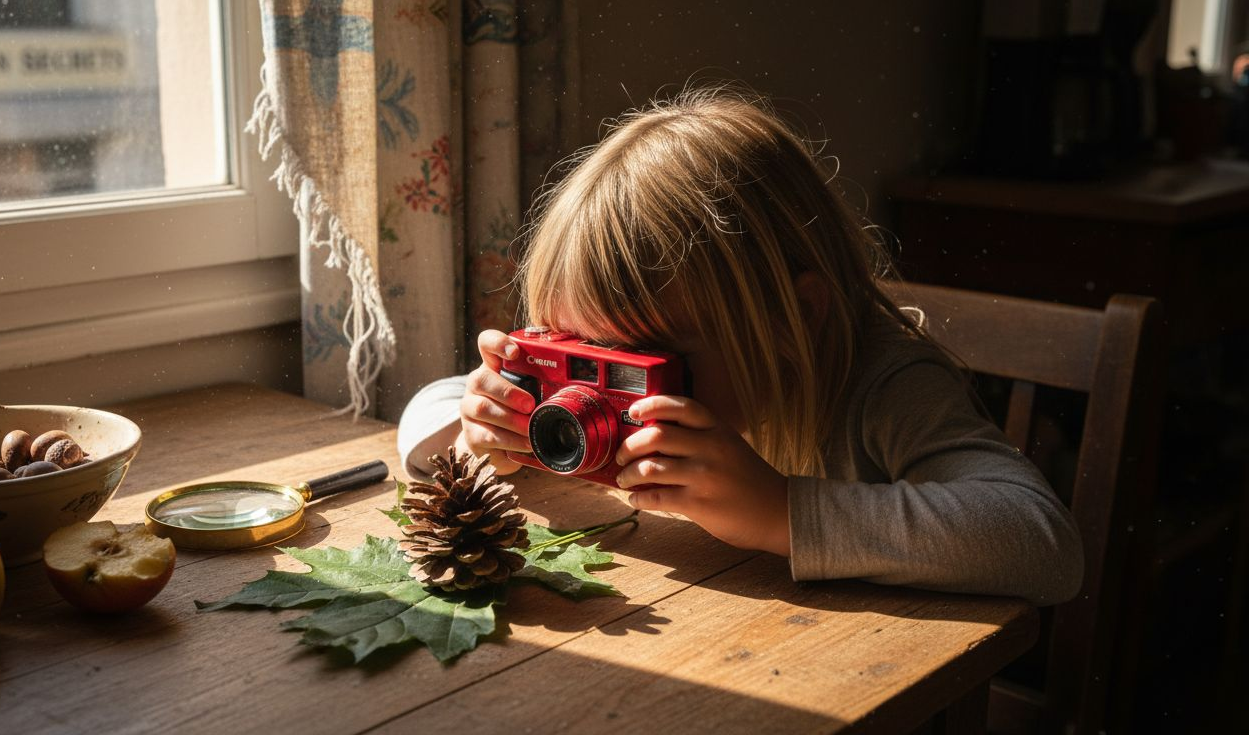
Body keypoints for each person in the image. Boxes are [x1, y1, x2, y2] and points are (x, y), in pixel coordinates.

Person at [397, 87, 1083, 606]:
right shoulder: (588, 395)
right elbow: (426, 413)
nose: (594, 397)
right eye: (585, 357)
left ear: (793, 325)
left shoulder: (879, 379)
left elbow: (1043, 543)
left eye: (639, 367)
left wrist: (780, 510)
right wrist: (483, 431)